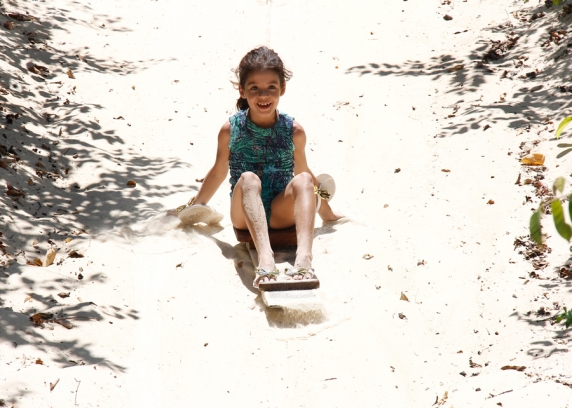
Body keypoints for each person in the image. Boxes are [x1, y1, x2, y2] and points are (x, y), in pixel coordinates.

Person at [179, 46, 343, 288]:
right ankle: (265, 260)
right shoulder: (230, 129)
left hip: (280, 212)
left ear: (282, 90)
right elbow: (218, 172)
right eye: (254, 88)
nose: (263, 96)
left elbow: (304, 174)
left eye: (271, 88)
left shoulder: (294, 130)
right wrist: (196, 205)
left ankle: (305, 260)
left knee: (305, 180)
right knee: (248, 178)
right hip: (244, 214)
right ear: (242, 90)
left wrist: (327, 214)